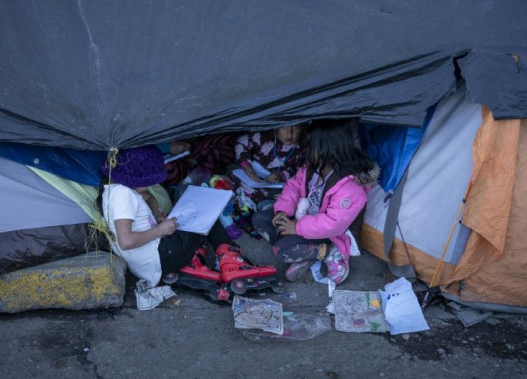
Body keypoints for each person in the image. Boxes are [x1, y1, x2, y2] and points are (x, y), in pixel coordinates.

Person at [96, 145, 274, 291]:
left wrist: (155, 212)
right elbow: (126, 241)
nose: (151, 183)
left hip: (152, 257)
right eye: (149, 179)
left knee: (190, 212)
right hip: (161, 255)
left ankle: (197, 257)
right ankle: (231, 262)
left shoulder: (117, 189)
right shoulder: (123, 195)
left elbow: (146, 202)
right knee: (206, 212)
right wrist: (160, 230)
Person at [251, 120, 379, 284]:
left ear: (330, 148)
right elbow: (294, 186)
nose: (306, 149)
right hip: (303, 219)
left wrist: (296, 227)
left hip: (330, 235)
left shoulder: (350, 185)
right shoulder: (312, 167)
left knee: (281, 250)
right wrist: (283, 211)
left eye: (311, 146)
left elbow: (334, 224)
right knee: (260, 219)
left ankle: (331, 253)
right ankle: (306, 253)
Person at [228, 125, 306, 237]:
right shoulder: (264, 137)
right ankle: (260, 203)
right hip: (253, 174)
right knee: (231, 171)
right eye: (284, 127)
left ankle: (263, 204)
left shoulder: (302, 149)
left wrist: (282, 175)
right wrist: (246, 165)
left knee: (288, 192)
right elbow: (241, 142)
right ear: (276, 128)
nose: (290, 133)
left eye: (296, 128)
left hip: (275, 184)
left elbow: (300, 173)